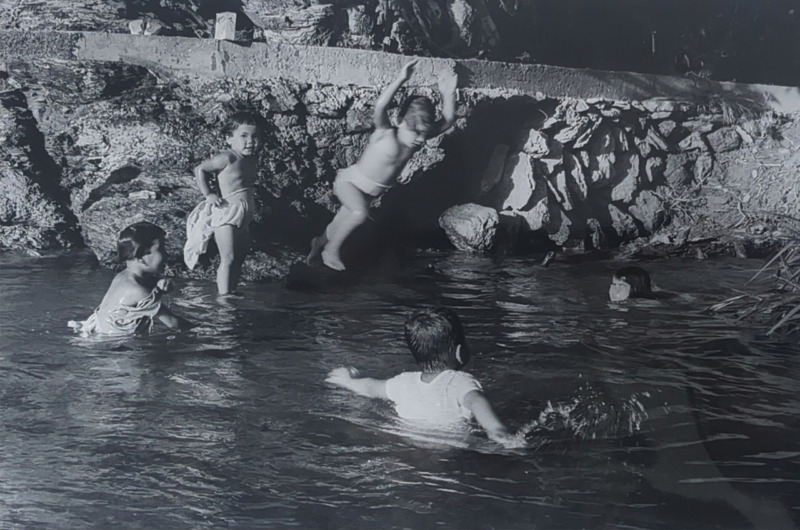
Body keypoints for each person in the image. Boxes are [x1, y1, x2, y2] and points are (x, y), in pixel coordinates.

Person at [307, 59, 457, 271]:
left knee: (339, 225)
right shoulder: (386, 134)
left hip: (371, 192)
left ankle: (319, 242)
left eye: (424, 134)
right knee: (359, 214)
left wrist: (448, 91)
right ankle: (330, 251)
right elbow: (381, 106)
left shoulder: (414, 139)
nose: (421, 140)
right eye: (416, 132)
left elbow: (448, 120)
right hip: (349, 183)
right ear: (402, 121)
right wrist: (401, 78)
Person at [325, 306, 522, 448]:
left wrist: (348, 381)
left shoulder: (402, 382)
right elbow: (479, 405)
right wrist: (501, 434)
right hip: (450, 449)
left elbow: (369, 387)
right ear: (459, 351)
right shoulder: (461, 382)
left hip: (408, 442)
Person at [184, 111, 262, 294]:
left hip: (244, 214)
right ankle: (223, 297)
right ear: (229, 138)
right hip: (227, 213)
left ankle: (231, 291)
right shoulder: (228, 157)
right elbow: (200, 169)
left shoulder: (250, 159)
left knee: (239, 257)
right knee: (228, 257)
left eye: (255, 136)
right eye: (243, 136)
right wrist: (209, 194)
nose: (250, 141)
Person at [69, 222, 191, 337]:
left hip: (102, 333)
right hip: (116, 345)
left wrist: (158, 289)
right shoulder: (138, 291)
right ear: (142, 257)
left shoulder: (123, 276)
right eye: (161, 249)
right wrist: (203, 329)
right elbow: (173, 323)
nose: (167, 254)